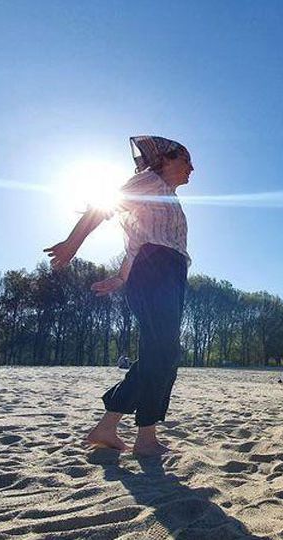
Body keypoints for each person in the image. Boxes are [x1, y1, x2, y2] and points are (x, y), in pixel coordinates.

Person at [44, 135, 193, 456]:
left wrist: (120, 277)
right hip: (156, 271)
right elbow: (103, 206)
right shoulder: (149, 181)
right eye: (186, 160)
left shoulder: (166, 195)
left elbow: (137, 241)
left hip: (168, 272)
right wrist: (72, 244)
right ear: (165, 159)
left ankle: (112, 428)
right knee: (162, 353)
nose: (192, 168)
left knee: (162, 354)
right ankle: (143, 438)